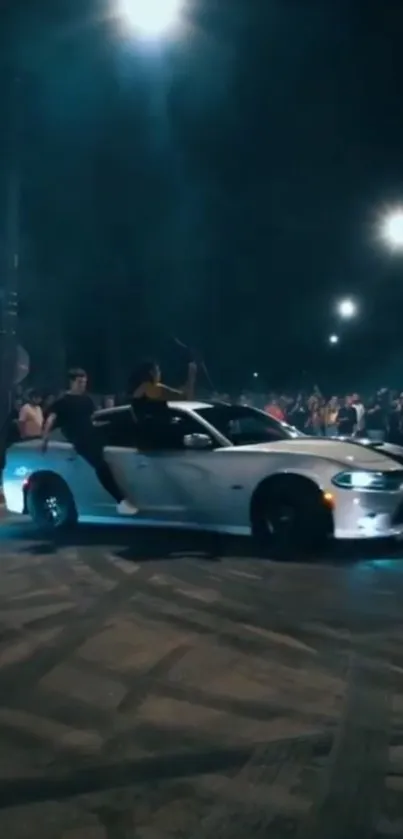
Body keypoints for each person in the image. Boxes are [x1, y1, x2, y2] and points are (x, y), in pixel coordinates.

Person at [42, 368, 137, 516]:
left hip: (91, 431)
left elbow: (93, 418)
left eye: (84, 382)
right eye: (80, 382)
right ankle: (121, 501)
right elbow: (51, 419)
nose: (83, 385)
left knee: (118, 427)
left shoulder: (87, 400)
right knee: (100, 464)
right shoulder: (62, 402)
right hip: (78, 437)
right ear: (72, 382)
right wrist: (45, 438)